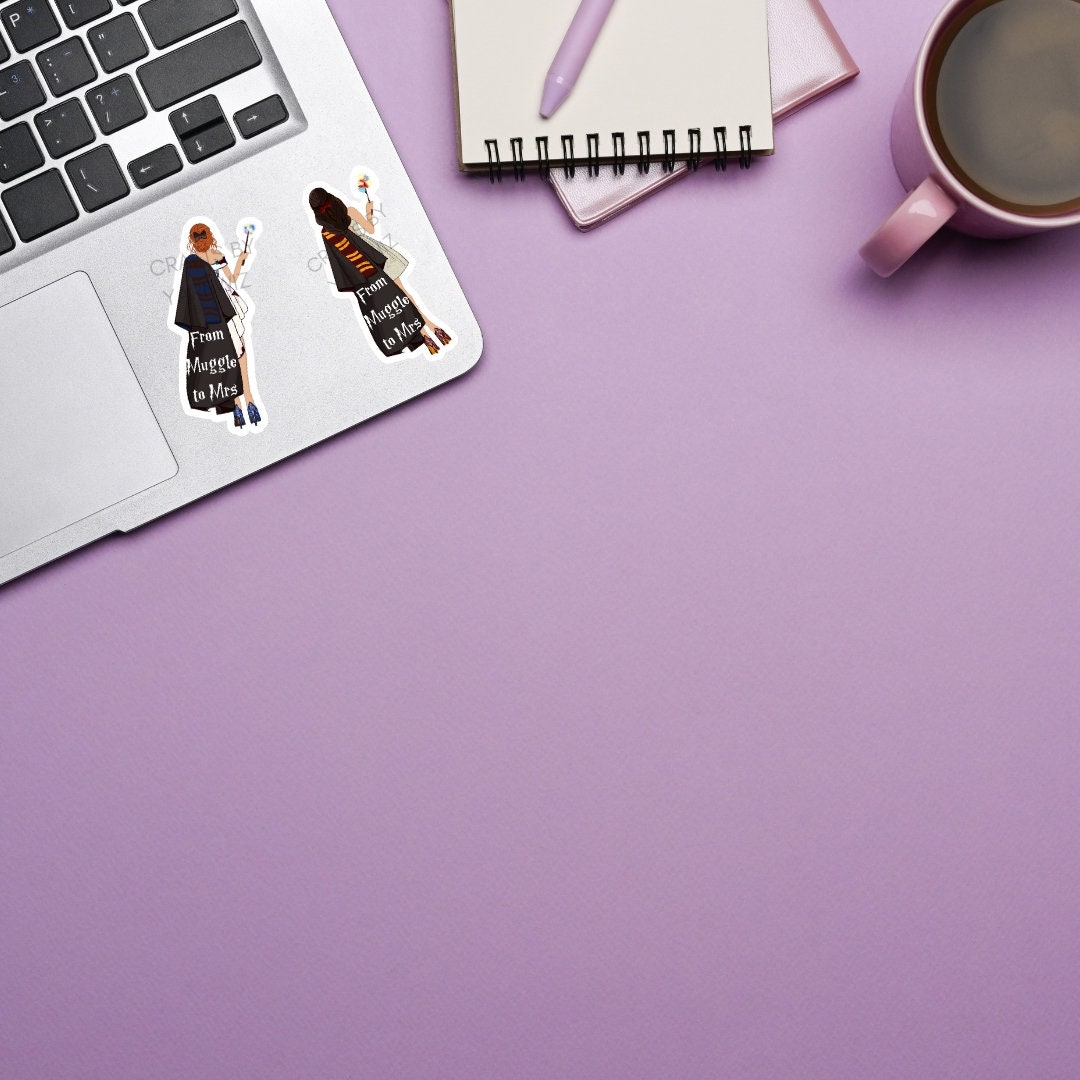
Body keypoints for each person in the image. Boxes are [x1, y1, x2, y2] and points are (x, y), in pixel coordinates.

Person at [309, 188, 452, 359]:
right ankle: (433, 328)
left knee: (399, 301)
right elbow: (369, 230)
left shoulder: (327, 231)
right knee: (404, 296)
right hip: (376, 255)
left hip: (364, 269)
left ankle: (427, 338)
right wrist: (369, 212)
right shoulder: (349, 211)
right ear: (333, 199)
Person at [173, 223, 262, 429]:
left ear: (191, 240)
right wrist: (241, 260)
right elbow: (232, 278)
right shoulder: (215, 254)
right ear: (210, 236)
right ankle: (250, 401)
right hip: (224, 309)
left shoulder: (190, 262)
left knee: (224, 360)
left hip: (204, 319)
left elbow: (188, 299)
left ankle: (237, 407)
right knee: (239, 354)